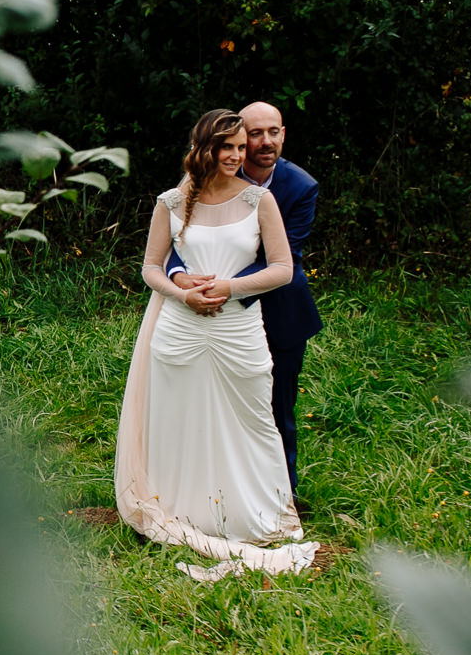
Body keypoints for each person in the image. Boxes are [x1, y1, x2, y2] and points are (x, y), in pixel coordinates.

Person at [114, 109, 316, 579]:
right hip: (180, 328)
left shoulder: (259, 200)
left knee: (252, 418)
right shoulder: (172, 200)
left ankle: (252, 512)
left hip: (237, 328)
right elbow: (149, 267)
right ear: (204, 148)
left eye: (241, 148)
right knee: (178, 419)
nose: (237, 155)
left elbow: (282, 269)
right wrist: (182, 291)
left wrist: (229, 289)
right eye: (228, 147)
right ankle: (184, 509)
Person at [167, 101, 322, 501]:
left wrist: (222, 286)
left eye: (274, 132)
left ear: (284, 134)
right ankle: (212, 493)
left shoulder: (300, 187)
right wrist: (181, 278)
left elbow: (282, 258)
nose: (265, 142)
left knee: (274, 410)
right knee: (209, 405)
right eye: (255, 134)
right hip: (207, 312)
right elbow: (179, 239)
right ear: (232, 139)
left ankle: (280, 497)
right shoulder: (198, 183)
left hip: (278, 311)